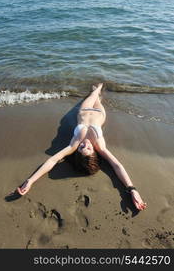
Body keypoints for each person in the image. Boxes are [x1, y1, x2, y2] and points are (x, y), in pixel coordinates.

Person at [16, 83, 147, 211]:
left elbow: (52, 160)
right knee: (97, 96)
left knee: (93, 94)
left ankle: (97, 89)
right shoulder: (100, 147)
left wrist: (31, 181)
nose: (86, 144)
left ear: (77, 151)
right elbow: (117, 165)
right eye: (88, 148)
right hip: (99, 113)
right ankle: (100, 87)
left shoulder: (74, 145)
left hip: (83, 110)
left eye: (82, 147)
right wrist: (132, 189)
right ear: (94, 153)